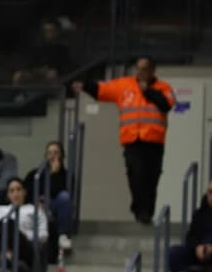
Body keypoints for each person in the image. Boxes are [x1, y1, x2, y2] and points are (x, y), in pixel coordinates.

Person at [71, 56, 174, 225]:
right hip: (132, 140)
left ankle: (145, 211)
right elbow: (103, 90)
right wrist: (85, 86)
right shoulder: (125, 85)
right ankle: (142, 211)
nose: (139, 72)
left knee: (151, 178)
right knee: (136, 174)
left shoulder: (164, 88)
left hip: (154, 141)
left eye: (144, 69)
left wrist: (147, 90)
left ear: (152, 70)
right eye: (138, 68)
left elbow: (166, 104)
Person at [167, 180, 212, 272]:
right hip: (199, 253)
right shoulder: (200, 214)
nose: (210, 196)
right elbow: (191, 238)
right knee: (174, 253)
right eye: (210, 192)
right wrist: (197, 247)